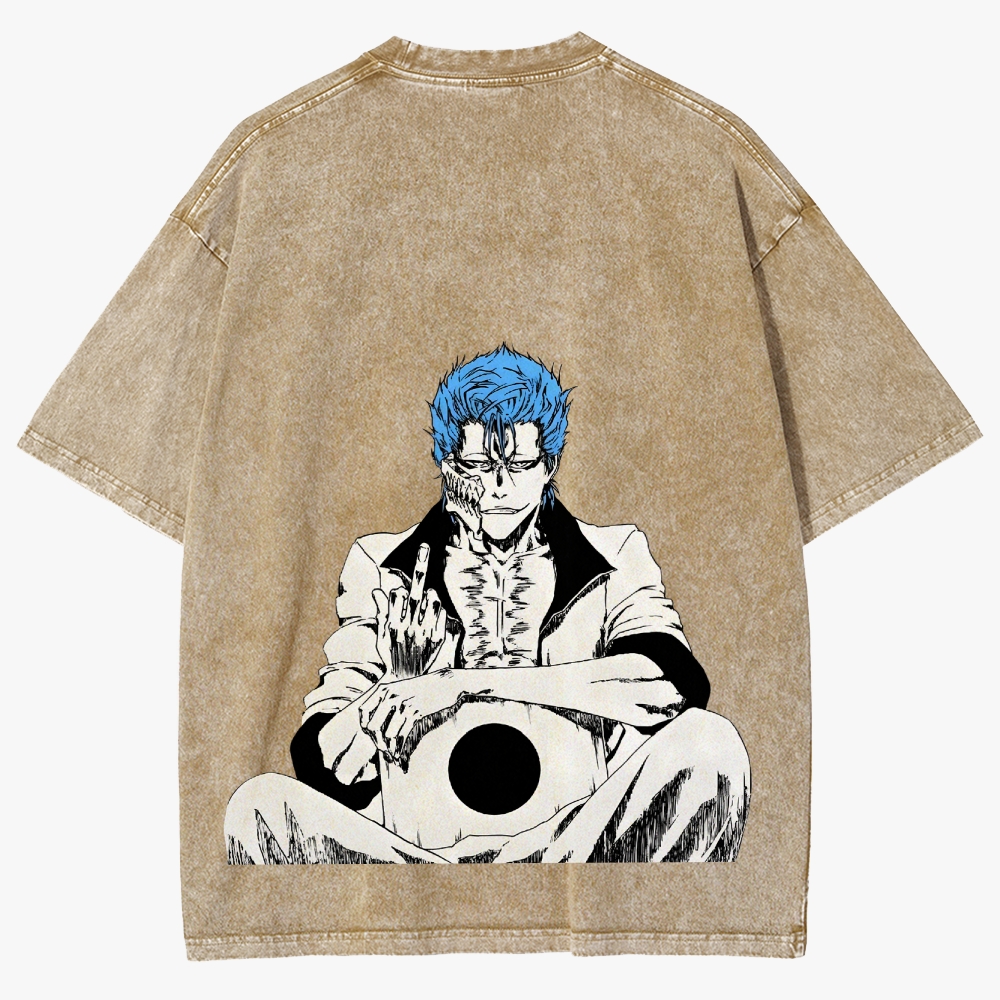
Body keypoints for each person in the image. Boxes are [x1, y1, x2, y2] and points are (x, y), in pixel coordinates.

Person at [225, 346, 750, 864]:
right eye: (476, 465)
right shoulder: (380, 566)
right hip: (419, 864)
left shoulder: (615, 554)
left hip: (570, 853)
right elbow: (322, 768)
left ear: (550, 465)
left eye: (519, 463)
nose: (499, 487)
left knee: (711, 746)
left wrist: (458, 684)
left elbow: (672, 689)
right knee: (258, 809)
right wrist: (395, 687)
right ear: (447, 464)